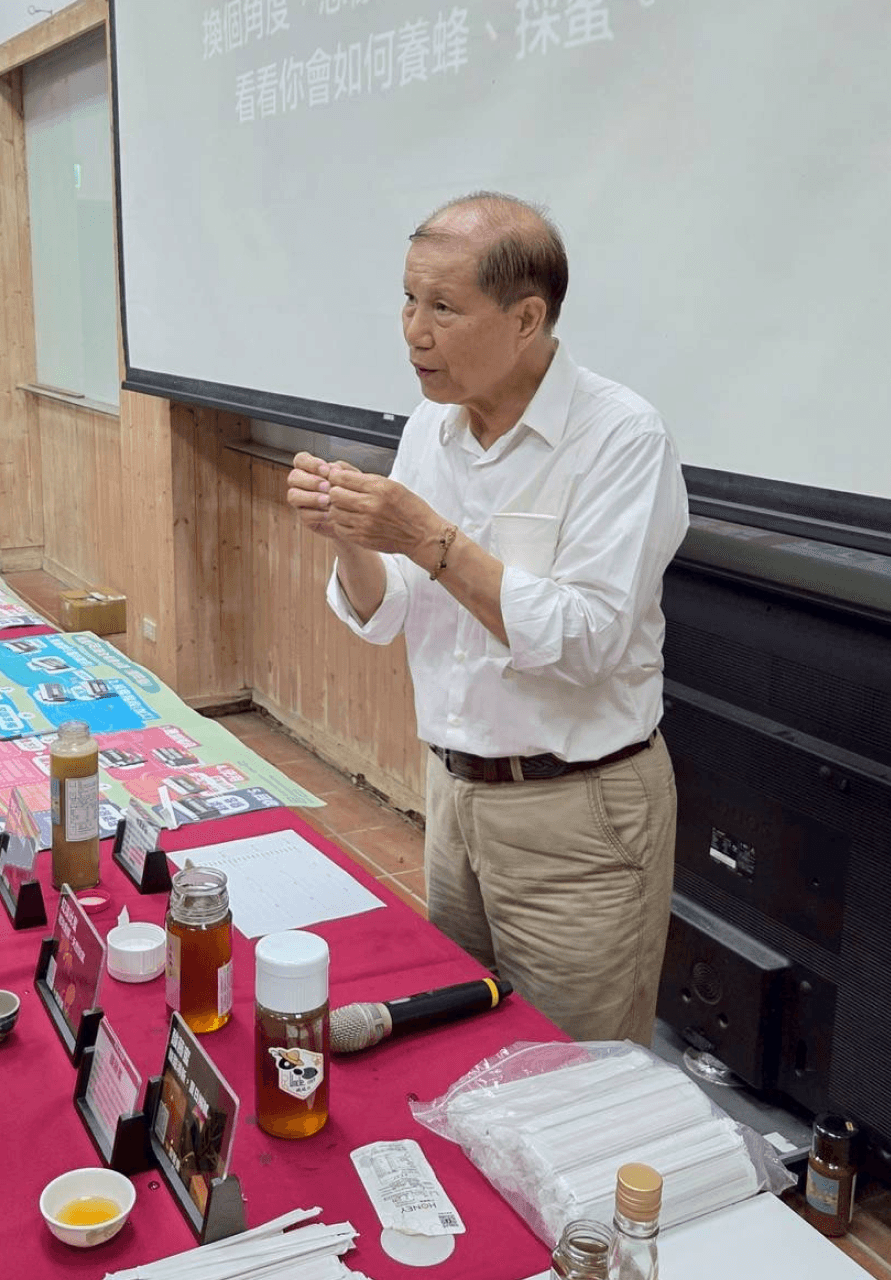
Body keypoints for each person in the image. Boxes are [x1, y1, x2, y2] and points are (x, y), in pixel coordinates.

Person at [287, 192, 688, 1044]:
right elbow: (388, 612)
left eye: (442, 307)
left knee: (576, 1073)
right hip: (456, 794)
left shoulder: (621, 438)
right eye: (407, 299)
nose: (412, 331)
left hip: (578, 813)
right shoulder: (432, 429)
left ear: (526, 318)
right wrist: (349, 537)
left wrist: (430, 539)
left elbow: (585, 643)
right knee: (458, 1048)